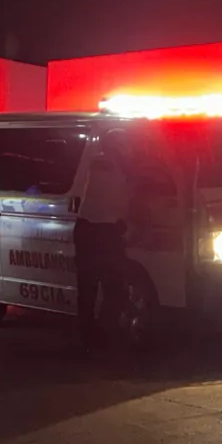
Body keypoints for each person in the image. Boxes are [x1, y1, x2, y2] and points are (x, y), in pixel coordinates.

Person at [74, 135, 131, 346]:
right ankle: (107, 333)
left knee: (88, 286)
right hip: (103, 231)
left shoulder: (94, 162)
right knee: (113, 286)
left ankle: (87, 334)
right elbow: (125, 194)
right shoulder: (114, 167)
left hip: (86, 228)